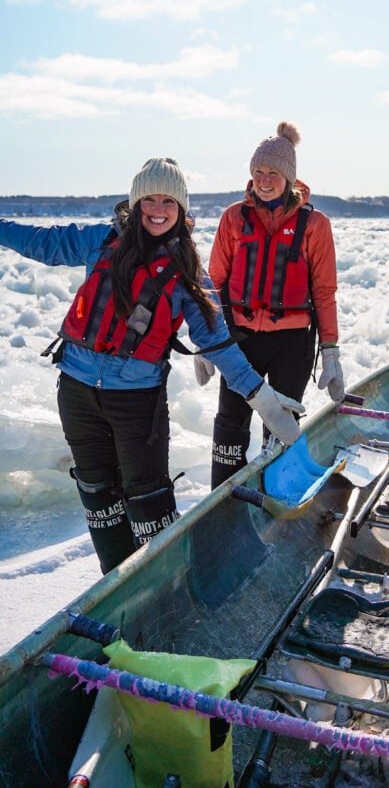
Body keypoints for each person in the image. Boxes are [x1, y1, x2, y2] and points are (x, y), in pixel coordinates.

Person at [0, 158, 303, 574]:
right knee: (98, 496)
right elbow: (41, 241)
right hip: (76, 390)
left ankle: (170, 581)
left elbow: (215, 339)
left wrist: (260, 396)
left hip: (137, 401)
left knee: (148, 502)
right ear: (135, 201)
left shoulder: (188, 269)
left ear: (181, 209)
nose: (157, 209)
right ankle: (116, 585)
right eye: (149, 199)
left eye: (168, 201)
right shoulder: (101, 240)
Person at [202, 121, 344, 488]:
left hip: (292, 343)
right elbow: (213, 283)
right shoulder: (234, 217)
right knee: (230, 424)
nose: (264, 180)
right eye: (258, 172)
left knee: (280, 426)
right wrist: (207, 341)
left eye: (273, 173)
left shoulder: (315, 225)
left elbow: (324, 292)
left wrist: (330, 351)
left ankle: (275, 494)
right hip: (240, 340)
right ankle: (223, 498)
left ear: (290, 177)